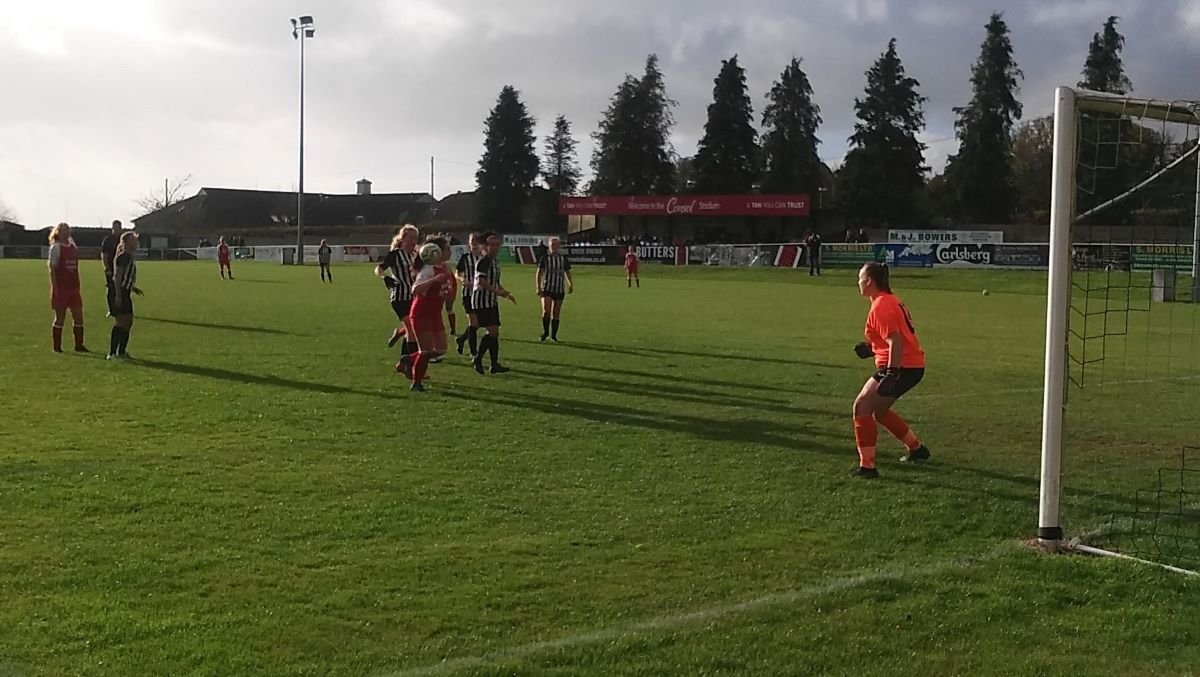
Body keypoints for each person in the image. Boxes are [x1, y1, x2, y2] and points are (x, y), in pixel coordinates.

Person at [850, 262, 930, 479]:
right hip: (910, 365)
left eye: (860, 278)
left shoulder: (881, 305)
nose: (858, 282)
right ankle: (917, 449)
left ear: (869, 281)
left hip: (901, 366)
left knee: (861, 408)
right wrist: (872, 348)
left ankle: (867, 467)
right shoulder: (887, 300)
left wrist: (891, 373)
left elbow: (896, 341)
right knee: (879, 412)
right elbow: (894, 337)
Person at [407, 237, 455, 392]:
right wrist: (433, 280)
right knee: (426, 351)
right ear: (437, 252)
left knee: (441, 350)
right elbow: (415, 290)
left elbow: (445, 290)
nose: (450, 251)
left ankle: (407, 360)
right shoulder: (429, 269)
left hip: (435, 313)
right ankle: (416, 383)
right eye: (447, 249)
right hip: (422, 312)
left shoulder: (445, 267)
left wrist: (447, 294)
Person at [376, 225, 419, 374]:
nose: (414, 241)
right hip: (399, 298)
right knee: (412, 330)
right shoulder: (395, 254)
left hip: (413, 298)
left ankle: (402, 363)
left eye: (416, 238)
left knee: (411, 331)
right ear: (403, 238)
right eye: (411, 238)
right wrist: (385, 277)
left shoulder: (415, 255)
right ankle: (411, 368)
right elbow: (379, 268)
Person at [472, 231, 515, 374]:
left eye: (497, 245)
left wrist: (505, 293)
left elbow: (495, 282)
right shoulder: (483, 261)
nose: (495, 247)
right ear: (486, 246)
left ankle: (492, 363)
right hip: (482, 301)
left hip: (491, 300)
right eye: (492, 245)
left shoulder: (495, 262)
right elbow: (481, 281)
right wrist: (497, 292)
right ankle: (480, 359)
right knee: (492, 331)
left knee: (494, 333)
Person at [47, 223, 87, 353]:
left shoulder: (73, 246)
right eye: (63, 230)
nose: (66, 232)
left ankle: (79, 345)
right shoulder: (56, 248)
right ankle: (57, 347)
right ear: (58, 232)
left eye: (67, 230)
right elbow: (52, 269)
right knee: (60, 317)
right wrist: (55, 288)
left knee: (79, 316)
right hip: (61, 288)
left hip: (74, 288)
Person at [108, 232, 144, 360]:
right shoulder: (124, 256)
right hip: (119, 292)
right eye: (134, 239)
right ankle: (112, 353)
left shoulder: (128, 256)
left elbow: (123, 277)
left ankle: (121, 352)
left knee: (128, 322)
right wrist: (118, 296)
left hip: (124, 291)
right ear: (127, 242)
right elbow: (117, 276)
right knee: (122, 322)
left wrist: (133, 288)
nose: (136, 241)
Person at [536, 237, 573, 342]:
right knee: (546, 311)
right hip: (547, 288)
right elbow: (539, 273)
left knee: (556, 313)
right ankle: (545, 332)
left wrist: (570, 284)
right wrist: (538, 287)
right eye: (552, 245)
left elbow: (567, 272)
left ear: (559, 246)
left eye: (556, 245)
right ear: (549, 246)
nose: (554, 247)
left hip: (559, 289)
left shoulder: (563, 259)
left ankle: (554, 335)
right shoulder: (545, 258)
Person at [454, 233, 482, 358]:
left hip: (481, 296)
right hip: (468, 295)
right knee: (473, 322)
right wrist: (463, 280)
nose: (474, 243)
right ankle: (473, 352)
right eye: (472, 241)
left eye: (476, 241)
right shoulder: (465, 258)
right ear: (469, 243)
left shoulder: (484, 258)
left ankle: (461, 339)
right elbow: (457, 273)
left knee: (477, 323)